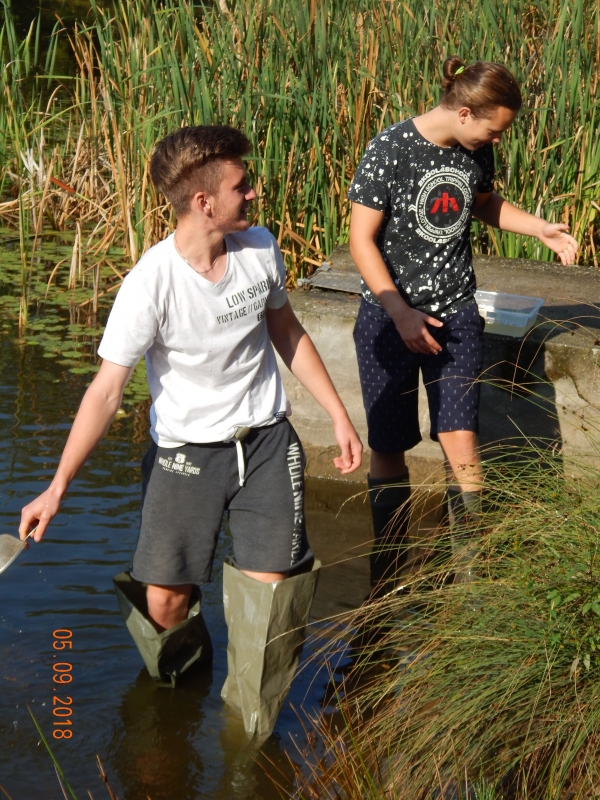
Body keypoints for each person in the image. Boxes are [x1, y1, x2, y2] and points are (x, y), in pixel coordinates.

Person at [19, 125, 362, 737]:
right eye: (241, 185)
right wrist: (56, 487)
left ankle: (248, 736)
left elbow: (285, 331)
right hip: (185, 455)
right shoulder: (149, 284)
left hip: (265, 443)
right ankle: (177, 702)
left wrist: (337, 414)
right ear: (204, 201)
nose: (253, 193)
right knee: (165, 605)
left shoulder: (260, 249)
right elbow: (104, 391)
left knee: (268, 601)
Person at [348, 57, 578, 589]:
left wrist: (538, 228)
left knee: (461, 439)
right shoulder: (389, 149)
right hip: (388, 320)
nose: (496, 140)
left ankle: (470, 585)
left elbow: (483, 203)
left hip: (455, 314)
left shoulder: (475, 149)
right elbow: (361, 240)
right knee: (387, 444)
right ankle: (388, 575)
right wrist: (400, 312)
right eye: (494, 129)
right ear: (466, 112)